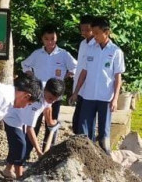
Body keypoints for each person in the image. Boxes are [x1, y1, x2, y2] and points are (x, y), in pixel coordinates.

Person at [70, 16, 125, 156]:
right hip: (88, 95)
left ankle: (105, 159)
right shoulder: (91, 49)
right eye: (92, 33)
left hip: (105, 97)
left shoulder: (116, 52)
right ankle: (84, 157)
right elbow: (84, 72)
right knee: (83, 129)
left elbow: (118, 78)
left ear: (106, 32)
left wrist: (115, 99)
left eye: (96, 33)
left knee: (103, 133)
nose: (93, 36)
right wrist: (76, 92)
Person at [21, 24, 77, 148]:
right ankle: (27, 152)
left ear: (57, 38)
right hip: (38, 93)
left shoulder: (63, 54)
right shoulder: (37, 54)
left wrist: (66, 76)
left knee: (51, 123)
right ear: (42, 39)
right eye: (47, 39)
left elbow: (75, 67)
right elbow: (25, 65)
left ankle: (48, 151)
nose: (50, 41)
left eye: (52, 38)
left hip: (55, 94)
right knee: (33, 122)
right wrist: (32, 76)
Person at [2, 78, 65, 179]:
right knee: (21, 145)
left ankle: (8, 170)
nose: (51, 101)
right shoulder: (36, 104)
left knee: (16, 144)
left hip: (22, 115)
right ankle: (20, 178)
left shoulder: (48, 87)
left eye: (54, 99)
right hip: (12, 115)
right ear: (45, 90)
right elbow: (29, 129)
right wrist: (39, 151)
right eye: (50, 98)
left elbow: (48, 106)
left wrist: (51, 122)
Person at [72, 15, 96, 134]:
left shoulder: (96, 45)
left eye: (87, 30)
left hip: (90, 89)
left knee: (86, 121)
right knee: (76, 121)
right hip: (79, 87)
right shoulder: (83, 44)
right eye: (82, 30)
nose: (84, 32)